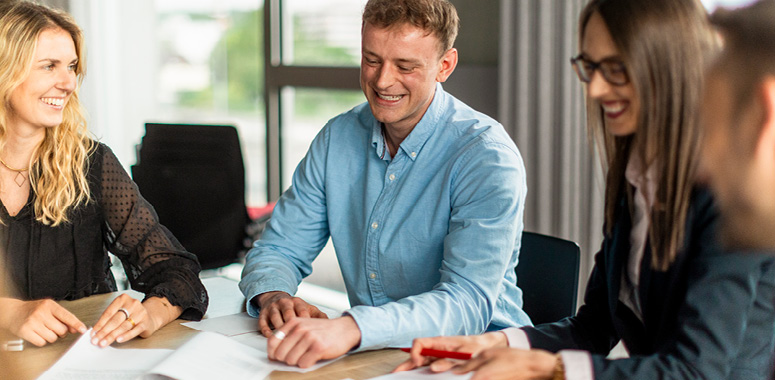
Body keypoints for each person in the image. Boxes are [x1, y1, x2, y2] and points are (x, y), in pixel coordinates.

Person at [395, 0, 775, 379]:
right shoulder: (636, 176)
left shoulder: (728, 194)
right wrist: (494, 344)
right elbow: (594, 327)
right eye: (590, 67)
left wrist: (552, 368)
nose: (595, 88)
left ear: (668, 64)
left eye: (614, 69)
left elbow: (696, 370)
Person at [239, 0, 530, 368]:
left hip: (473, 359)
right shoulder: (337, 138)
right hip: (375, 355)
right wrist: (274, 295)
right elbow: (279, 247)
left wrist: (353, 328)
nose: (382, 81)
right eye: (371, 60)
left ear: (445, 66)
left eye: (405, 66)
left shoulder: (486, 156)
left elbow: (466, 302)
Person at [0, 1, 208, 349]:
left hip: (84, 360)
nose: (68, 82)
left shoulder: (91, 163)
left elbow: (175, 269)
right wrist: (9, 314)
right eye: (49, 66)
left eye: (71, 66)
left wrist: (151, 313)